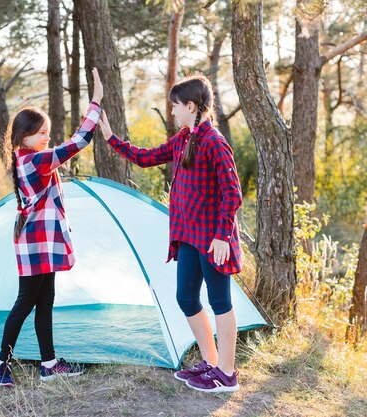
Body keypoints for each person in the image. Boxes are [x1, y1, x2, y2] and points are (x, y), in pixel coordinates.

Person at [99, 75, 242, 393]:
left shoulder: (214, 142)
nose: (173, 111)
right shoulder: (183, 139)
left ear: (190, 106)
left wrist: (221, 236)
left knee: (220, 301)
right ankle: (211, 362)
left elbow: (232, 194)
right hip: (189, 236)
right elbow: (145, 158)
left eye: (176, 106)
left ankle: (227, 375)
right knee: (186, 298)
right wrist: (110, 137)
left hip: (214, 239)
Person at [0, 68, 104, 387]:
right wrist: (95, 102)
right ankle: (2, 363)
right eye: (41, 133)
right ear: (23, 135)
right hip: (36, 243)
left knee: (44, 301)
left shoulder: (24, 159)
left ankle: (49, 363)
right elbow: (79, 141)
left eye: (47, 134)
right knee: (26, 301)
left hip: (39, 241)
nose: (46, 139)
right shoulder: (34, 161)